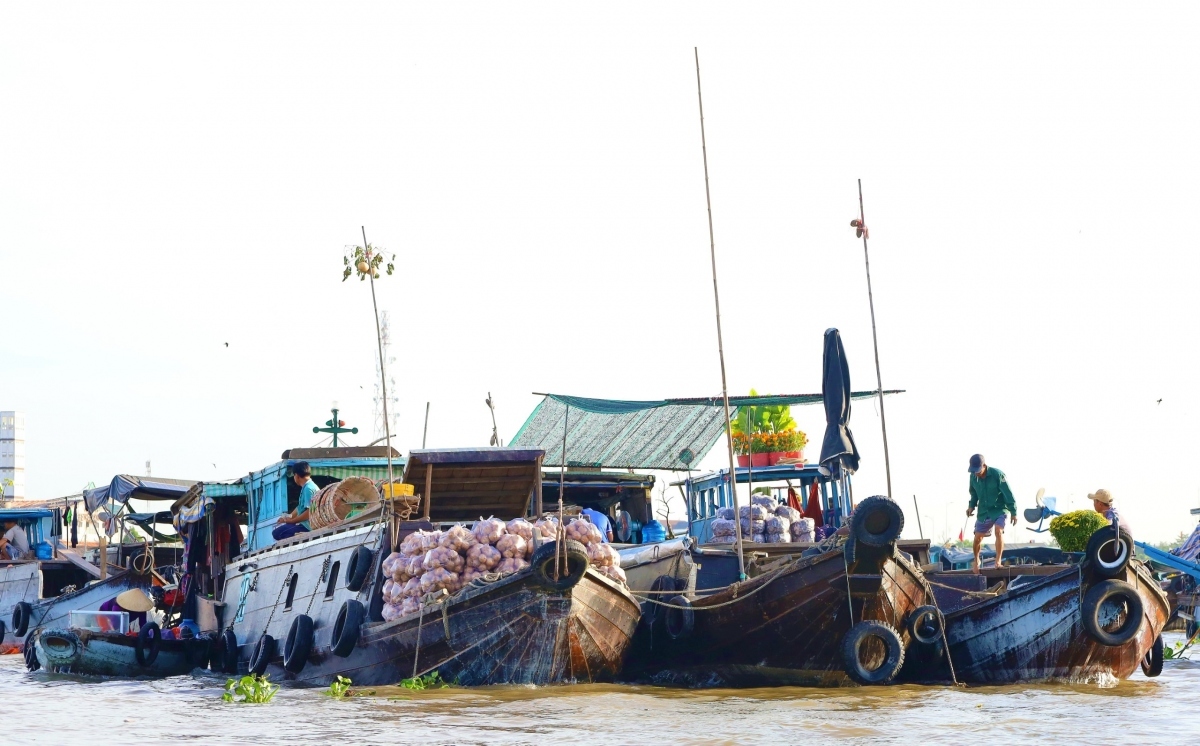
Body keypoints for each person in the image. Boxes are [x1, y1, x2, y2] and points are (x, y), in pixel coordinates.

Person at [965, 454, 1017, 574]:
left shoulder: (997, 474)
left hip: (999, 509)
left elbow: (1008, 494)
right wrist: (971, 506)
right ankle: (976, 559)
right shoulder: (973, 477)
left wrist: (1013, 512)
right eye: (974, 471)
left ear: (984, 466)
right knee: (978, 538)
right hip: (984, 511)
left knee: (998, 531)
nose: (976, 473)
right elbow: (973, 494)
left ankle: (998, 561)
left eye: (978, 470)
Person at [273, 461, 318, 541]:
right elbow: (300, 508)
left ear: (296, 476)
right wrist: (287, 517)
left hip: (308, 526)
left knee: (277, 533)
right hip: (305, 524)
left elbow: (309, 512)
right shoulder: (308, 486)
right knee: (279, 531)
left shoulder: (308, 489)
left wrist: (292, 521)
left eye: (294, 475)